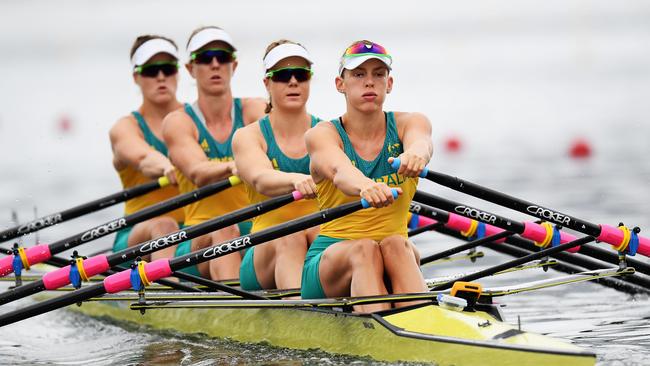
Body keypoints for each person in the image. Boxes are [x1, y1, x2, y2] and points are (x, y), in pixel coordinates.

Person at [302, 40, 433, 312]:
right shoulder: (322, 134)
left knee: (397, 244)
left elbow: (422, 142)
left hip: (394, 251)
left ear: (390, 83)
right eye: (359, 74)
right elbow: (339, 171)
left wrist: (417, 154)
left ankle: (423, 326)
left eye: (378, 74)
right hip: (332, 262)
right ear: (341, 84)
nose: (369, 82)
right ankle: (390, 332)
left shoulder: (411, 122)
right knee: (365, 249)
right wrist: (365, 186)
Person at [162, 26, 266, 280]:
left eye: (223, 57)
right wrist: (235, 167)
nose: (216, 64)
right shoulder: (179, 122)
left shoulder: (256, 110)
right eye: (206, 58)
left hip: (254, 228)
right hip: (200, 235)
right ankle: (237, 314)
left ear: (234, 65)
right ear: (190, 69)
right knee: (225, 230)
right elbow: (198, 172)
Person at [233, 40, 320, 291]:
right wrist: (294, 179)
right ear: (267, 83)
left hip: (318, 240)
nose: (293, 82)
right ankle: (298, 315)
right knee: (291, 236)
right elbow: (260, 178)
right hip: (265, 251)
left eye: (301, 75)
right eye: (282, 76)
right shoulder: (249, 136)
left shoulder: (329, 132)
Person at [110, 35, 185, 261]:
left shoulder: (196, 120)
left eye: (168, 68)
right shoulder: (126, 127)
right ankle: (167, 296)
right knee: (164, 225)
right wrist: (168, 167)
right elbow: (144, 158)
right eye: (151, 71)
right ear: (136, 77)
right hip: (137, 237)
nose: (161, 77)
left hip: (192, 230)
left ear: (178, 73)